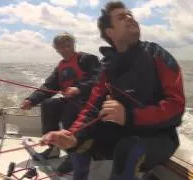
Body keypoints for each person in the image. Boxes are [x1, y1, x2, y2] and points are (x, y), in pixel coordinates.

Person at [40, 1, 185, 180]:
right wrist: (72, 136)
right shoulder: (107, 67)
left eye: (130, 14)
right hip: (120, 132)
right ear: (110, 32)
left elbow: (176, 106)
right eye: (122, 17)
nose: (130, 18)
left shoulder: (156, 54)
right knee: (79, 140)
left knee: (129, 149)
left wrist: (130, 116)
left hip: (160, 136)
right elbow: (92, 108)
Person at [20, 32, 100, 174]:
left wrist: (79, 88)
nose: (65, 49)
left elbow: (99, 78)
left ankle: (74, 154)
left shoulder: (86, 59)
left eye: (68, 45)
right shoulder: (61, 67)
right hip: (71, 100)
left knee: (71, 109)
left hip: (91, 101)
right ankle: (53, 148)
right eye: (60, 47)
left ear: (73, 45)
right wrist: (31, 100)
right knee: (49, 105)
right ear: (56, 49)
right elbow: (49, 87)